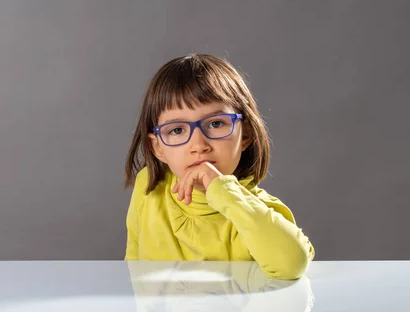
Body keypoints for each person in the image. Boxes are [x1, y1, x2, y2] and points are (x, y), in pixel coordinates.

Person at [124, 53, 314, 280]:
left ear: (245, 135)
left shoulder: (255, 210)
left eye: (215, 124)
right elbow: (133, 267)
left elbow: (291, 264)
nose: (198, 145)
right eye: (177, 130)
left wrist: (222, 191)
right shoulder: (149, 186)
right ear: (158, 148)